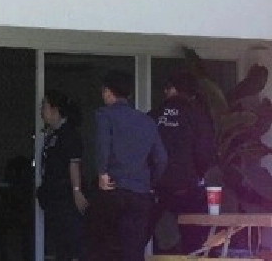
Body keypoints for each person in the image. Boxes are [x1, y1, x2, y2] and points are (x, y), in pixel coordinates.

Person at [94, 71, 167, 261]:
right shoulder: (147, 121)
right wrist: (150, 182)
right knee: (133, 251)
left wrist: (102, 172)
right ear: (130, 95)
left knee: (105, 249)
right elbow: (161, 158)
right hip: (140, 194)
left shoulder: (104, 115)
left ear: (108, 92)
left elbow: (103, 145)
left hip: (113, 189)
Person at [148, 72, 217, 253]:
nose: (165, 92)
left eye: (167, 88)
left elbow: (141, 150)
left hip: (157, 189)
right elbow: (205, 153)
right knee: (193, 240)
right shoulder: (198, 115)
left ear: (174, 89)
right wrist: (199, 173)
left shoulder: (154, 115)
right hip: (187, 187)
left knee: (152, 238)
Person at [38, 90, 88, 261]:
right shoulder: (54, 134)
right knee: (61, 246)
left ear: (55, 109)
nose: (41, 110)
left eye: (44, 106)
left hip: (65, 199)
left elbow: (74, 163)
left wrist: (76, 191)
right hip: (55, 198)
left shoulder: (68, 134)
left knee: (72, 245)